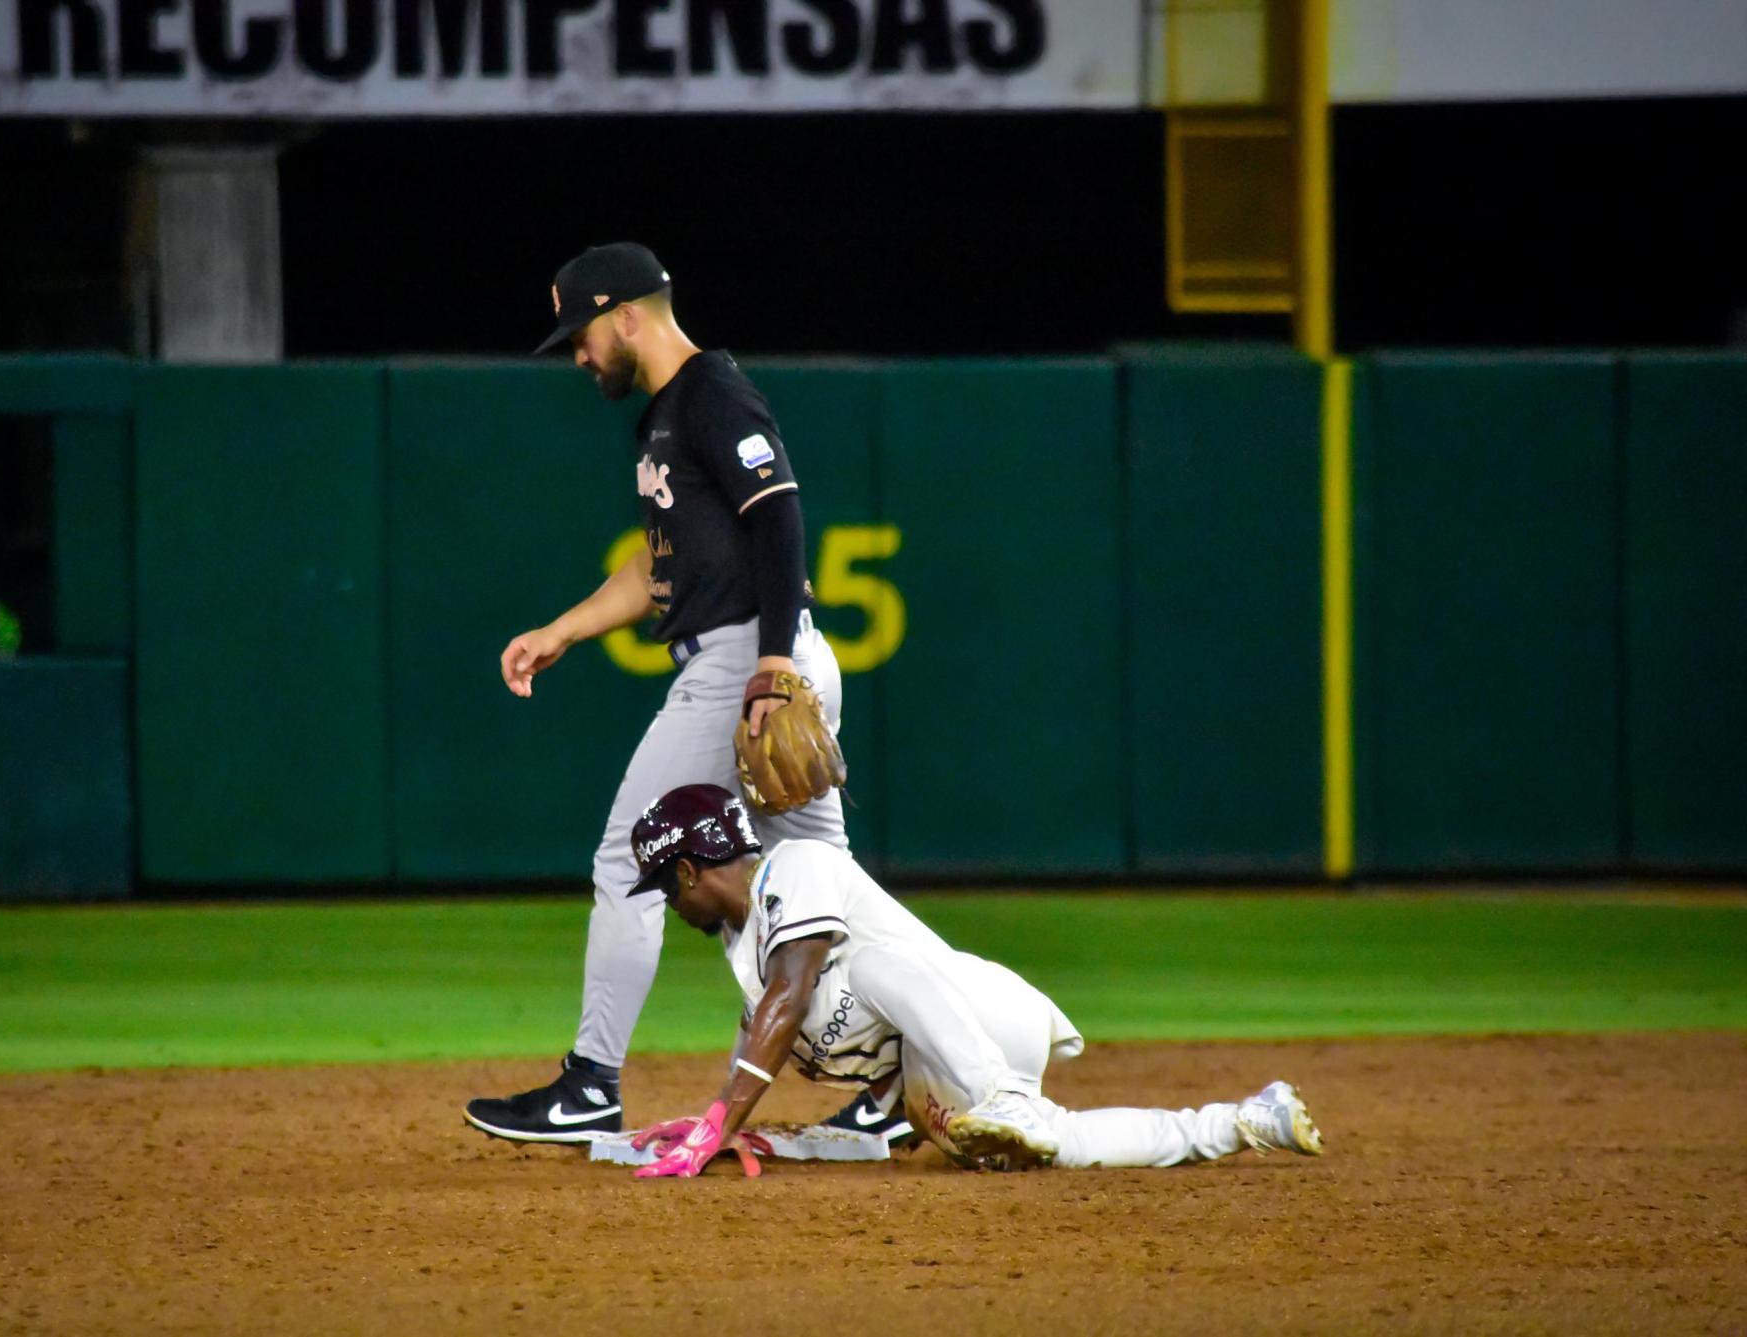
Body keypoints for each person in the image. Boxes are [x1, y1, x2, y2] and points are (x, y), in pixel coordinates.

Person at [462, 244, 904, 1145]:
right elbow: (659, 567)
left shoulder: (710, 393)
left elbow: (777, 513)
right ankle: (897, 1080)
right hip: (764, 653)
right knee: (826, 880)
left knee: (631, 853)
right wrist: (565, 630)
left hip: (747, 659)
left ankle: (590, 1082)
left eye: (580, 335)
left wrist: (772, 667)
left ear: (626, 313)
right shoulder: (670, 415)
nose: (578, 356)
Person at [617, 784, 1326, 1178]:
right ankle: (1243, 1120)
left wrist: (722, 1121)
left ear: (687, 871)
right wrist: (721, 1121)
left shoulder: (794, 867)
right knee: (1062, 1145)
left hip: (982, 1013)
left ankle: (1000, 1096)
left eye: (666, 886)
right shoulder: (746, 950)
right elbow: (765, 1017)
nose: (671, 903)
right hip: (933, 1072)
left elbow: (791, 993)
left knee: (869, 965)